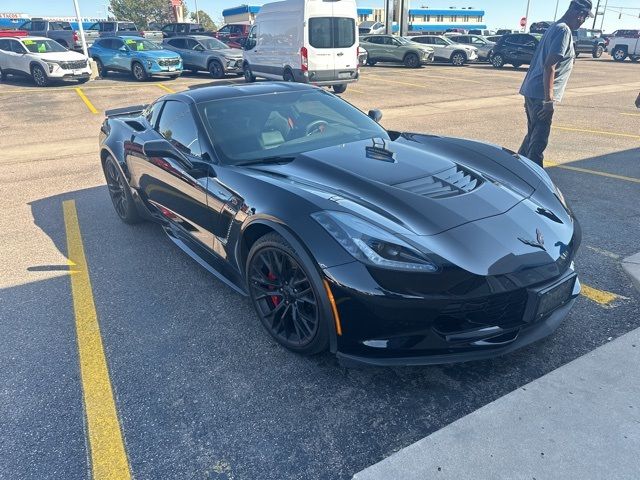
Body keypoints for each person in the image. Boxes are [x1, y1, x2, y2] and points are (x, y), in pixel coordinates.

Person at [518, 0, 594, 167]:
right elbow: (549, 66)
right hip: (540, 96)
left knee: (532, 138)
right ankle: (535, 185)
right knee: (537, 144)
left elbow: (543, 61)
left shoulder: (554, 27)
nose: (583, 21)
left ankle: (516, 171)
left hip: (533, 91)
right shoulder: (563, 30)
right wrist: (548, 101)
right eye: (584, 17)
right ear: (578, 13)